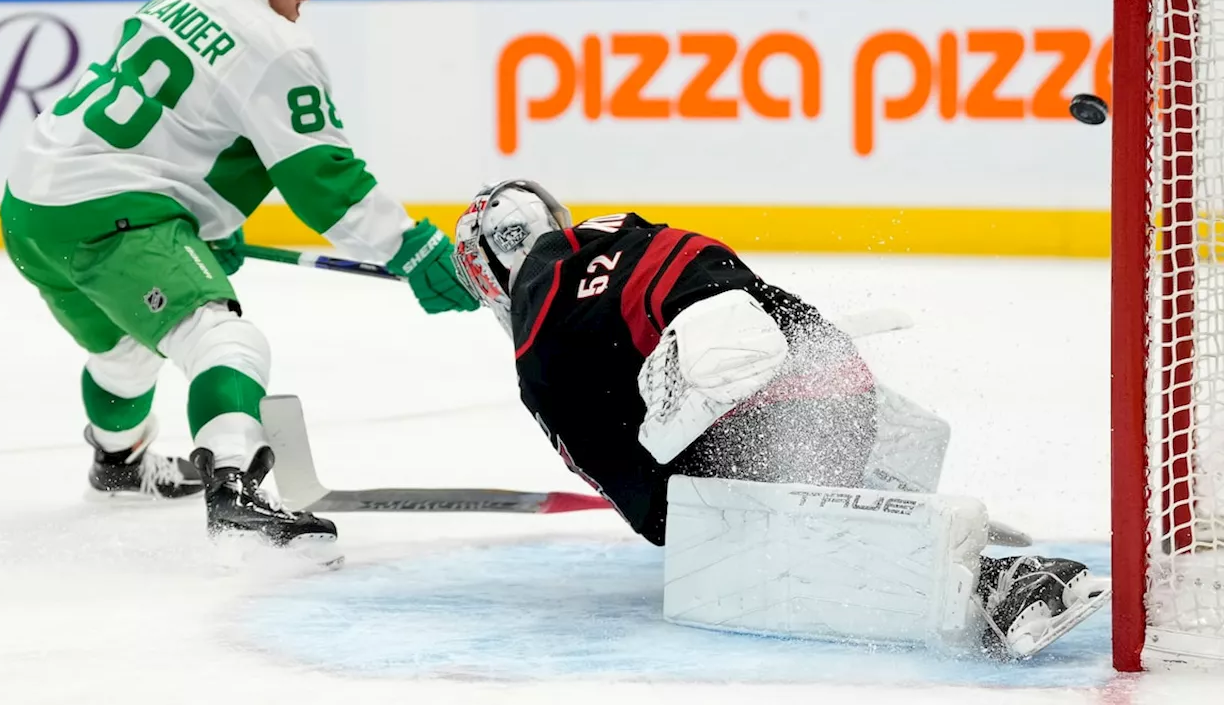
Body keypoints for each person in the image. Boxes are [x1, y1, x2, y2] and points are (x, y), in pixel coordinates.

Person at [0, 0, 477, 567]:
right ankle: (234, 494)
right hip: (111, 213)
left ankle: (117, 460)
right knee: (223, 337)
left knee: (127, 350)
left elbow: (185, 124)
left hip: (32, 208)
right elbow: (324, 183)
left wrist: (196, 218)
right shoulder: (279, 48)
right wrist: (413, 247)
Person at [452, 179, 1109, 658]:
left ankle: (982, 586)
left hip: (764, 424)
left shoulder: (537, 348)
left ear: (487, 276)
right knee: (775, 434)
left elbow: (658, 515)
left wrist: (674, 506)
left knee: (734, 531)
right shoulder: (625, 228)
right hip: (842, 380)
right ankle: (890, 504)